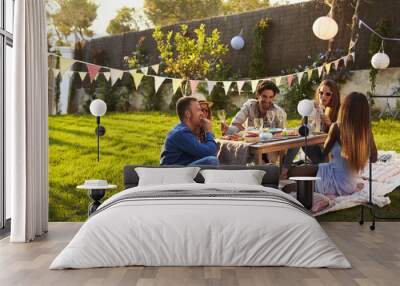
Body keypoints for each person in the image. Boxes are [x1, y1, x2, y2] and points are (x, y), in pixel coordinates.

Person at [288, 92, 377, 196]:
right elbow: (374, 158)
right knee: (295, 171)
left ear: (345, 109)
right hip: (347, 182)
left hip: (334, 181)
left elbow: (323, 154)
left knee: (289, 183)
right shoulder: (366, 132)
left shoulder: (337, 128)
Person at [281, 79, 341, 178]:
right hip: (313, 150)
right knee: (299, 136)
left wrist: (330, 124)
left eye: (328, 94)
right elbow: (305, 130)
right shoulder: (313, 106)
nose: (323, 96)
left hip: (328, 157)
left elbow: (342, 139)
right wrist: (308, 114)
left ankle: (286, 170)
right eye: (321, 93)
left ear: (333, 96)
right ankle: (285, 169)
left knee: (295, 173)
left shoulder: (339, 111)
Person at [160, 96, 219, 166]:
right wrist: (209, 131)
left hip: (183, 168)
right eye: (199, 110)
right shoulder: (181, 133)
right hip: (173, 173)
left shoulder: (186, 130)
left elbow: (202, 153)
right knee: (211, 161)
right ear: (188, 114)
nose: (202, 113)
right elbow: (210, 152)